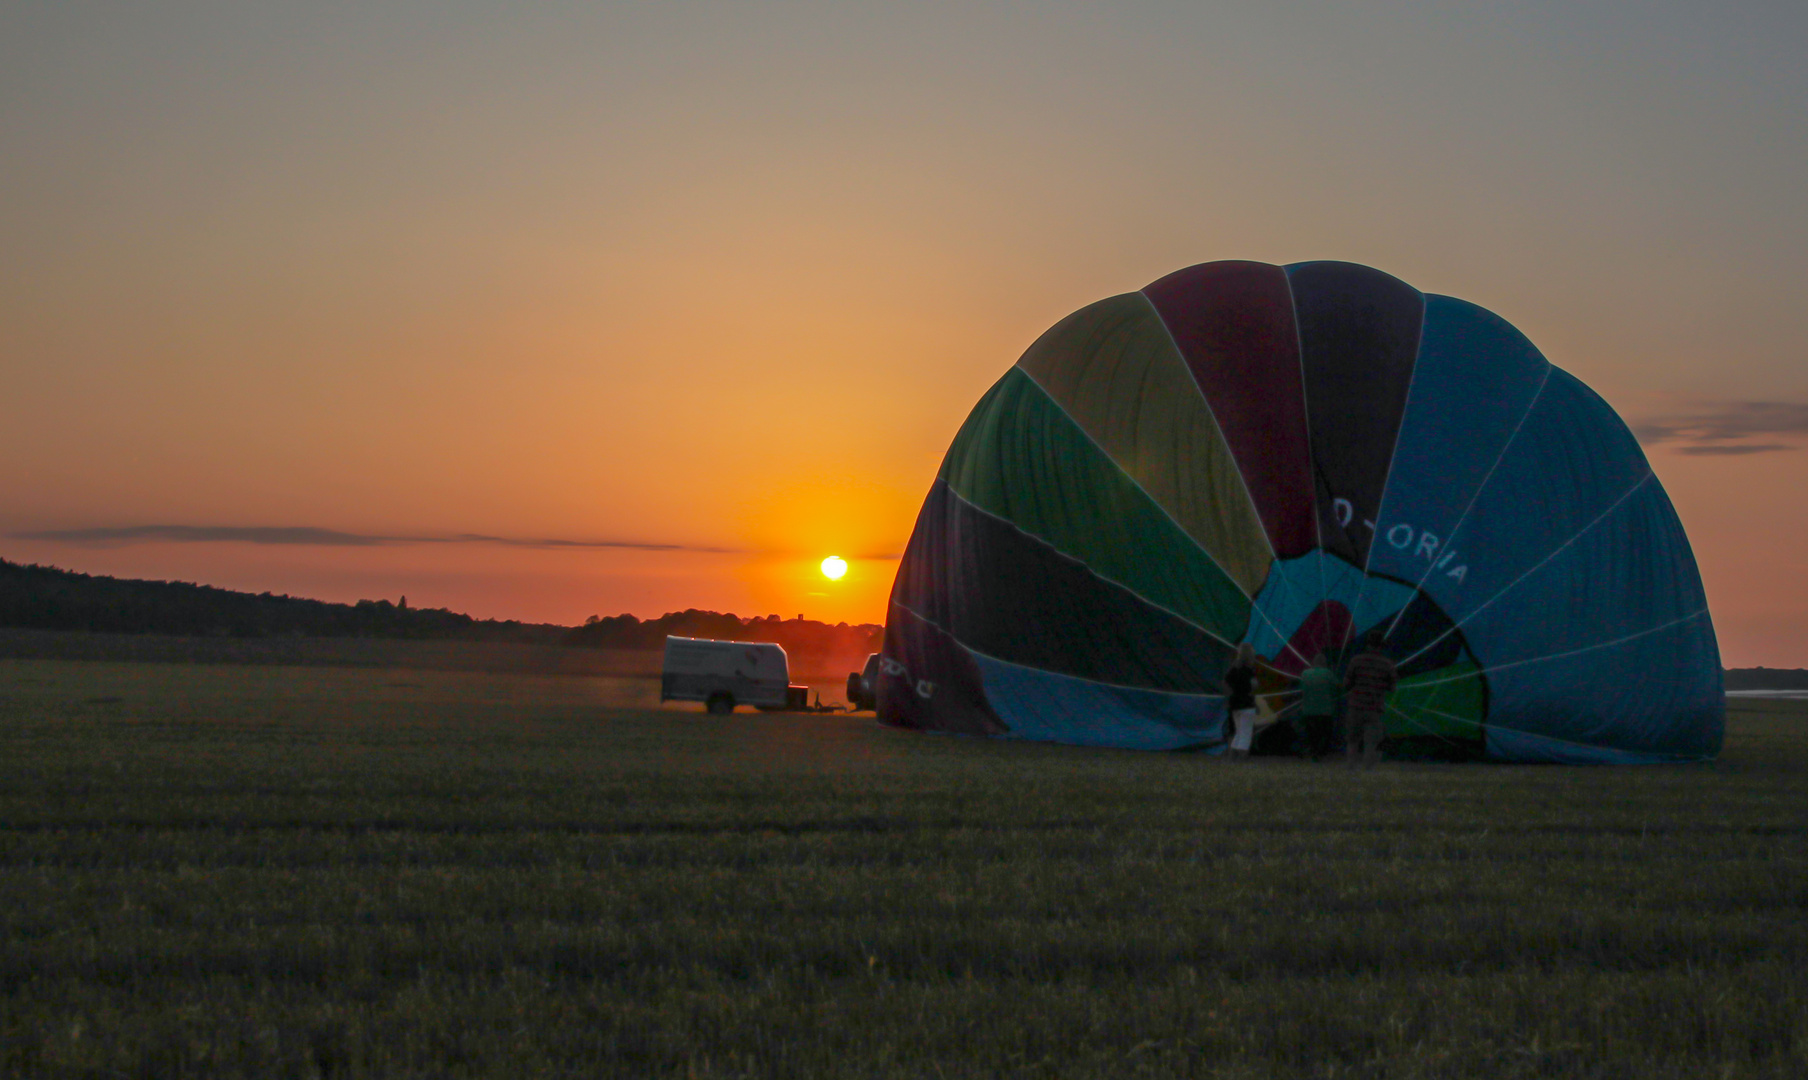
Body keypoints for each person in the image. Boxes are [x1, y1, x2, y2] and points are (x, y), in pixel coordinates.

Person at [1342, 631, 1397, 769]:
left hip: (1356, 706)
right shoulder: (1387, 664)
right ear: (1381, 646)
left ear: (1367, 645)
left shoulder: (1356, 660)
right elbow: (1392, 688)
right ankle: (1368, 769)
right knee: (1371, 742)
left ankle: (1351, 767)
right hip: (1375, 708)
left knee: (1353, 740)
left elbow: (1346, 684)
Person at [1296, 652, 1340, 760]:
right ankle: (1320, 752)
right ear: (1324, 663)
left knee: (1311, 733)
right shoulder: (1328, 673)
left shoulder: (1305, 674)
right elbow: (1338, 687)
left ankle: (1311, 751)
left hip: (1308, 710)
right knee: (1325, 732)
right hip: (1325, 710)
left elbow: (1301, 690)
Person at [1224, 643, 1259, 758]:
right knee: (1245, 734)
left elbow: (1227, 683)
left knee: (1238, 732)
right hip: (1247, 705)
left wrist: (1232, 695)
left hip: (1235, 705)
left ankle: (1232, 757)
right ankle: (1241, 759)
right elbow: (1253, 686)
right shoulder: (1249, 671)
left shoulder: (1234, 669)